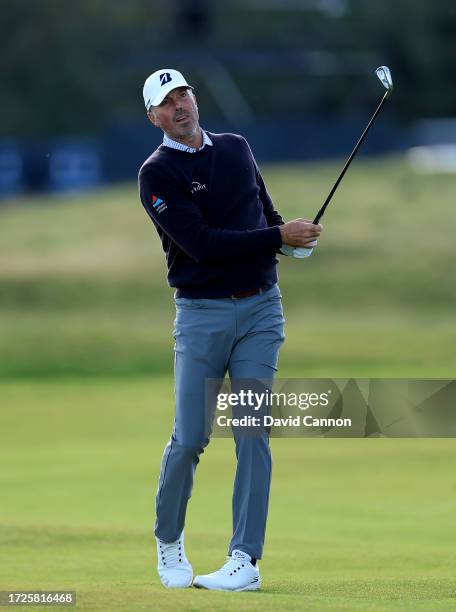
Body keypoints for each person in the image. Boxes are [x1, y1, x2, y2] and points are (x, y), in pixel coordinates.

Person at [138, 68, 322, 591]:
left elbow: (265, 214)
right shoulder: (157, 175)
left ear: (196, 99)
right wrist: (275, 237)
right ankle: (169, 541)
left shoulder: (238, 148)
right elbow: (202, 243)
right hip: (202, 315)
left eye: (185, 95)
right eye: (168, 102)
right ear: (154, 116)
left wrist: (295, 240)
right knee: (191, 437)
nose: (181, 106)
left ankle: (245, 560)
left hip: (262, 311)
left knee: (252, 434)